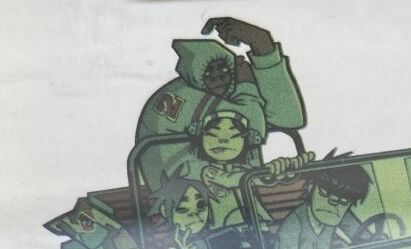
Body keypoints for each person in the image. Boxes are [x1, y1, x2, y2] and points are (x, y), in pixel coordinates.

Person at [129, 17, 307, 193]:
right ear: (195, 73)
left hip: (220, 183)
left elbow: (289, 117)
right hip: (184, 192)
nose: (218, 78)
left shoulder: (224, 97)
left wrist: (264, 48)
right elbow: (253, 127)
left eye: (224, 70)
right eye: (209, 72)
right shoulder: (184, 93)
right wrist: (246, 83)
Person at [275, 164, 371, 249]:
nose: (333, 202)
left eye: (344, 200)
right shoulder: (293, 225)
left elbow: (365, 237)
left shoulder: (338, 213)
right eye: (325, 192)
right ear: (311, 187)